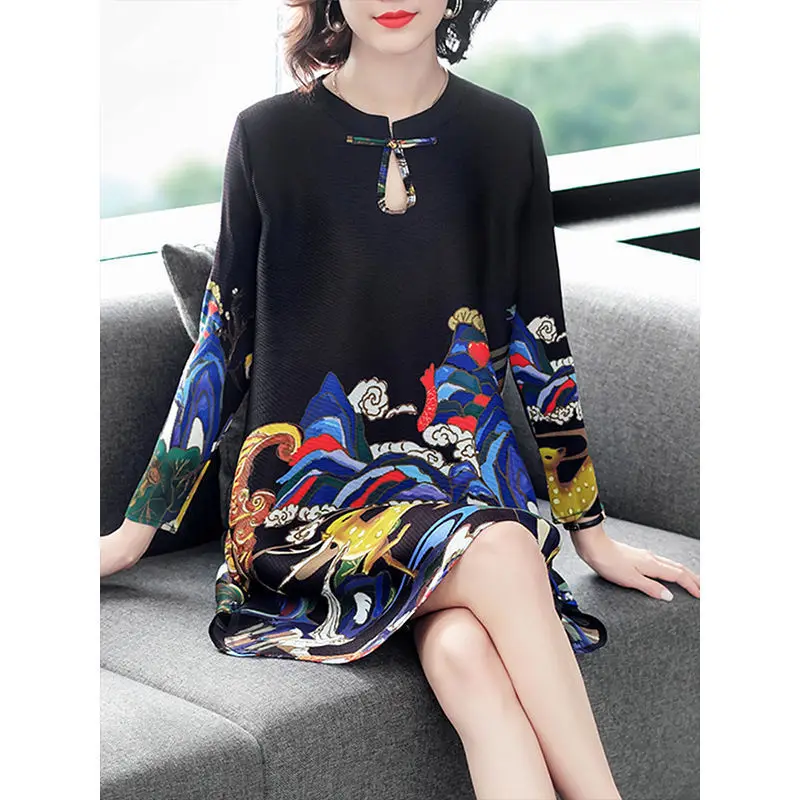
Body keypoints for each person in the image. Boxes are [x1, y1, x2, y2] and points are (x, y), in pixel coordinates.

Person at [100, 1, 700, 798]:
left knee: (464, 655)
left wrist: (591, 533)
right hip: (312, 505)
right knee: (502, 553)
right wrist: (134, 534)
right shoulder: (268, 137)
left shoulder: (504, 135)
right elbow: (222, 345)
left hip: (464, 488)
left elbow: (539, 345)